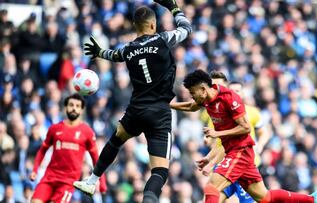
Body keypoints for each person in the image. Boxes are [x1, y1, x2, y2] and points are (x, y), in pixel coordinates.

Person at [73, 1, 192, 202]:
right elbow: (186, 28)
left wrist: (99, 52)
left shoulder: (128, 49)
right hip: (160, 114)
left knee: (116, 139)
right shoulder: (163, 39)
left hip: (136, 110)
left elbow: (114, 55)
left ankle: (92, 180)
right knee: (159, 171)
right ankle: (148, 200)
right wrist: (173, 8)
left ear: (135, 27)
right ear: (153, 25)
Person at [170, 70, 317, 203]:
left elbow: (246, 128)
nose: (191, 96)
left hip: (240, 151)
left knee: (211, 187)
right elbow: (190, 106)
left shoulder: (230, 98)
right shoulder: (207, 99)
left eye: (192, 93)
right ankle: (312, 200)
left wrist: (218, 133)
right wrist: (165, 104)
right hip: (233, 153)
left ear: (203, 89)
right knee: (265, 198)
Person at [198, 71, 271, 203]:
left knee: (248, 199)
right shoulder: (217, 111)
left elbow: (264, 132)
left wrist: (260, 145)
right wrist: (208, 141)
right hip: (225, 161)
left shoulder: (252, 112)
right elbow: (214, 138)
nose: (235, 93)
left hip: (245, 161)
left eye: (238, 90)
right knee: (213, 196)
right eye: (232, 90)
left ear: (243, 93)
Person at [30, 94, 107, 203]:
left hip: (67, 182)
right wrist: (35, 170)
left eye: (77, 106)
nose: (74, 108)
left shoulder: (87, 132)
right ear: (65, 107)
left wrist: (102, 182)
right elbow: (42, 150)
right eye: (71, 105)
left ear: (82, 110)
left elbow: (96, 159)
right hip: (49, 177)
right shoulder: (54, 129)